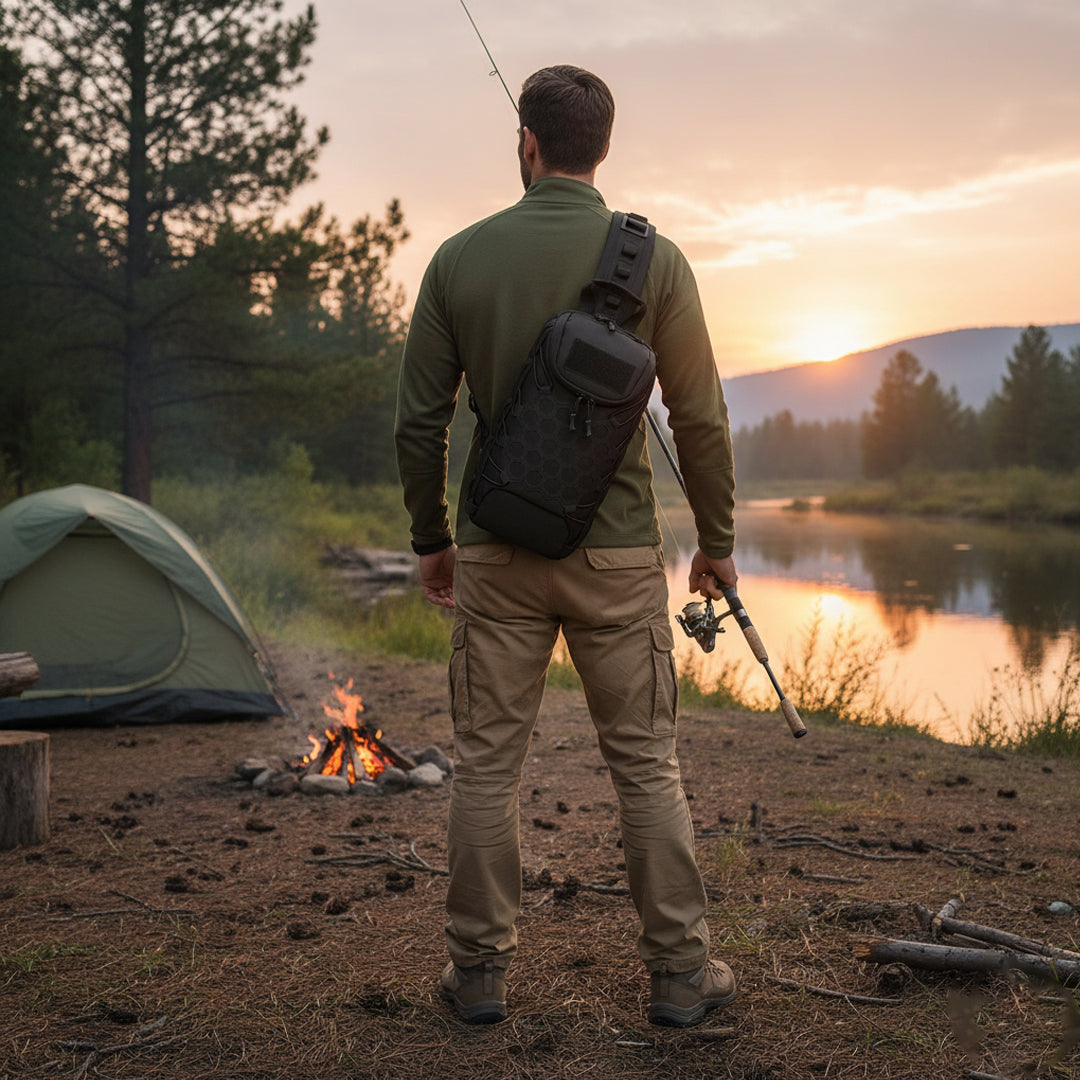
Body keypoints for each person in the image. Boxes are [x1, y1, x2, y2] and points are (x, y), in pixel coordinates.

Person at [394, 64, 739, 1028]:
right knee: (644, 764)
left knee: (487, 766)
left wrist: (433, 539)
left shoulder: (458, 260)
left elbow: (419, 425)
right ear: (604, 148)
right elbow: (701, 420)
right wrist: (716, 540)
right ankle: (678, 977)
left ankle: (479, 977)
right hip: (620, 555)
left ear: (527, 143)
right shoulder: (656, 260)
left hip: (495, 553)